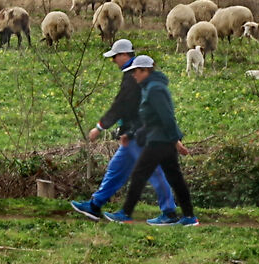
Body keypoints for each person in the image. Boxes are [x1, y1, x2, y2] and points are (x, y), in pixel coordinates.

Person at [68, 38, 177, 221]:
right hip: (131, 134)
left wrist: (100, 127)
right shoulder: (133, 75)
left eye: (115, 57)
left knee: (154, 172)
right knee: (116, 169)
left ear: (124, 55)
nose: (113, 61)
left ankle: (169, 212)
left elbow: (121, 105)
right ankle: (95, 205)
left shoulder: (132, 77)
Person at [107, 55, 196, 226]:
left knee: (140, 174)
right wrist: (132, 133)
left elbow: (167, 117)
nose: (133, 75)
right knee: (174, 177)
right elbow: (150, 119)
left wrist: (176, 141)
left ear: (146, 71)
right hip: (160, 139)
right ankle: (187, 217)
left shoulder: (155, 89)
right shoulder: (150, 87)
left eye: (136, 71)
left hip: (159, 141)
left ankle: (125, 213)